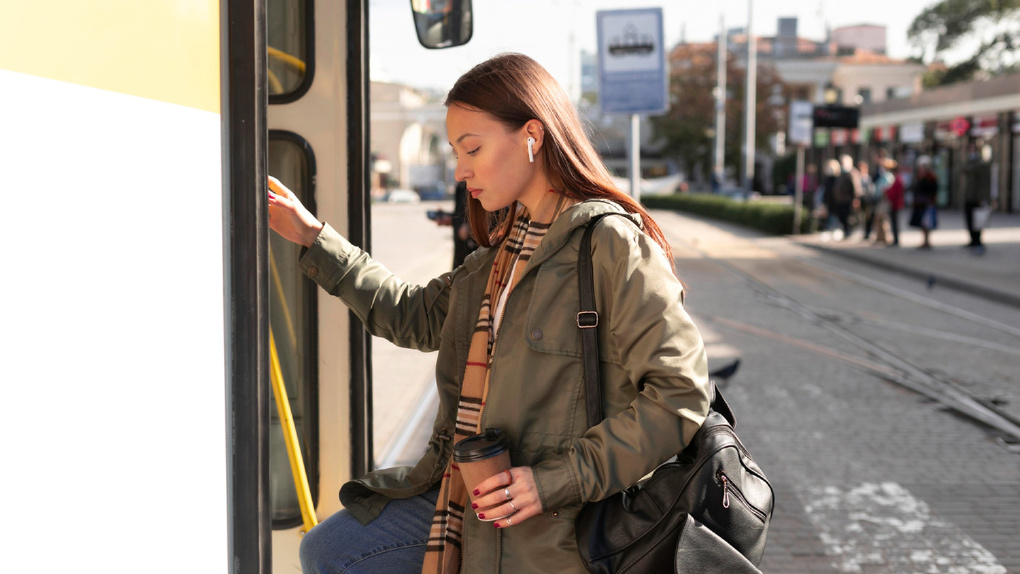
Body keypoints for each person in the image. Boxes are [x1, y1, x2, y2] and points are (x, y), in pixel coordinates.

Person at [268, 53, 711, 574]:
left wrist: (553, 481)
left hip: (562, 526)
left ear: (532, 134)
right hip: (474, 506)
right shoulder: (497, 259)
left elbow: (680, 395)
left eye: (472, 148)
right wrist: (313, 238)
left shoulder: (610, 244)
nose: (460, 170)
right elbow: (410, 315)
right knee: (332, 550)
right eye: (456, 151)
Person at [434, 181, 479, 269]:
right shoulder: (461, 186)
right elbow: (460, 215)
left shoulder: (480, 184)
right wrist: (450, 219)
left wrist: (471, 228)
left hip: (476, 256)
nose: (458, 174)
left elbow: (497, 217)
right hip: (460, 255)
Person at [962, 143, 993, 255]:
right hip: (969, 196)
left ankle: (978, 241)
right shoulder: (968, 161)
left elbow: (984, 182)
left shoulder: (981, 164)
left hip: (977, 197)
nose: (972, 151)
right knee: (969, 220)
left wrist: (983, 197)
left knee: (978, 221)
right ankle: (972, 240)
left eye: (973, 149)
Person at [909, 155, 938, 249]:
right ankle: (924, 240)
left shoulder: (930, 177)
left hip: (927, 203)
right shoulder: (920, 176)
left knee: (927, 222)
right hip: (920, 203)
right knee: (922, 223)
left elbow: (933, 189)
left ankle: (927, 241)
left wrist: (930, 199)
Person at [832, 154, 862, 240]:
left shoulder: (852, 173)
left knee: (849, 218)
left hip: (848, 200)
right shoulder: (841, 174)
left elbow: (856, 187)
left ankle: (849, 232)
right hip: (841, 200)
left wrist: (856, 199)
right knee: (842, 217)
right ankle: (846, 232)